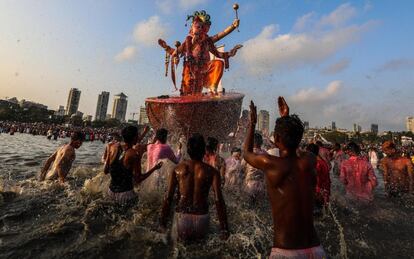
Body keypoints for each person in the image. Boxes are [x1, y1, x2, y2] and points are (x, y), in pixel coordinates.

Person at [243, 97, 326, 258]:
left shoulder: (271, 164)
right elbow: (294, 147)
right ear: (300, 138)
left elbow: (246, 153)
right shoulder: (309, 159)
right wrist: (285, 120)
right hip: (316, 250)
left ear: (277, 139)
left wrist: (252, 124)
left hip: (286, 251)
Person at [160, 133, 229, 241]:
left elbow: (168, 197)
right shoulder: (212, 172)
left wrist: (162, 223)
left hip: (181, 218)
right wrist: (224, 229)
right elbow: (218, 200)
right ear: (203, 151)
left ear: (188, 150)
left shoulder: (177, 169)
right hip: (202, 219)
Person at [104, 126, 162, 204]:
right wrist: (155, 168)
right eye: (137, 135)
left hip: (110, 192)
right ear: (135, 137)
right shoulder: (134, 154)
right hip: (126, 195)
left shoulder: (111, 147)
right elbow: (138, 179)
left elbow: (105, 171)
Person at [306, 143, 331, 214]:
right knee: (325, 213)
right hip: (325, 191)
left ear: (309, 152)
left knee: (316, 215)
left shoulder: (317, 163)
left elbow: (314, 180)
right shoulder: (323, 162)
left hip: (318, 193)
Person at [242, 132, 267, 200]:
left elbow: (242, 168)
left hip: (249, 184)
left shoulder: (248, 153)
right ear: (261, 142)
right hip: (261, 185)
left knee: (248, 208)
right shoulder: (265, 154)